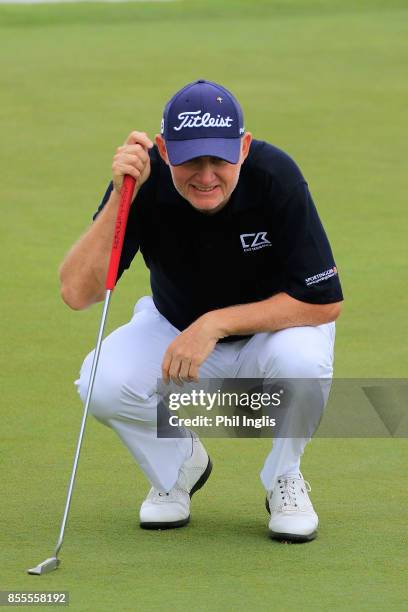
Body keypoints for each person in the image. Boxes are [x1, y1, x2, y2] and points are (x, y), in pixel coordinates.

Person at [59, 79, 343, 542]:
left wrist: (214, 323)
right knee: (100, 381)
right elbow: (77, 292)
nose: (206, 174)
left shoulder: (277, 176)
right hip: (173, 325)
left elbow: (324, 300)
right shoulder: (142, 182)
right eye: (191, 159)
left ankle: (284, 476)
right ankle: (177, 470)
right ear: (165, 151)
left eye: (220, 158)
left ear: (244, 148)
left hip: (271, 334)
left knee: (303, 364)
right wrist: (119, 196)